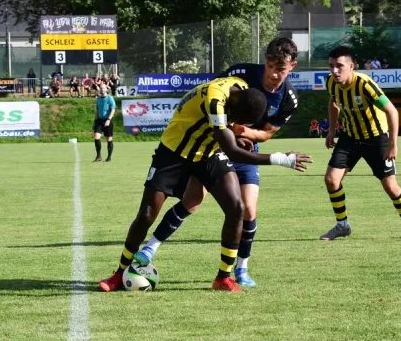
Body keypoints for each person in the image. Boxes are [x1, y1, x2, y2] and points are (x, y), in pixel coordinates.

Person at [98, 76, 312, 293]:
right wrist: (282, 158)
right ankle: (119, 273)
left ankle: (223, 278)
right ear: (234, 106)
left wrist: (235, 136)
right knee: (146, 214)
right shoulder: (216, 99)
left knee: (236, 207)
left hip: (208, 153)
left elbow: (227, 130)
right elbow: (231, 151)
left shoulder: (242, 89)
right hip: (174, 151)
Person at [132, 37, 302, 287]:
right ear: (264, 60)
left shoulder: (289, 98)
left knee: (248, 209)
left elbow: (266, 133)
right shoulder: (241, 72)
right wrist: (230, 132)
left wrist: (241, 134)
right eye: (270, 66)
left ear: (292, 67)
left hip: (246, 150)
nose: (274, 74)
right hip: (215, 145)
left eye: (281, 69)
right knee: (192, 200)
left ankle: (241, 269)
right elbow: (215, 104)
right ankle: (150, 249)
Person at [320, 46, 401, 241]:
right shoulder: (331, 83)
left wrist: (393, 144)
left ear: (351, 66)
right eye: (331, 66)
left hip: (376, 138)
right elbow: (333, 104)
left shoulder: (364, 84)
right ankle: (342, 225)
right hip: (350, 137)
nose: (334, 71)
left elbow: (392, 111)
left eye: (339, 66)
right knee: (331, 179)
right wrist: (332, 130)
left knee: (391, 186)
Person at [92, 83, 116, 162]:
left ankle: (109, 157)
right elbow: (97, 111)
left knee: (109, 138)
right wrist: (95, 121)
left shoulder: (110, 98)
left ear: (106, 89)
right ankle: (98, 156)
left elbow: (113, 109)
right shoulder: (98, 99)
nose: (102, 89)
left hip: (107, 120)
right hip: (99, 120)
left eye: (103, 88)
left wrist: (109, 119)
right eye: (101, 88)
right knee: (96, 137)